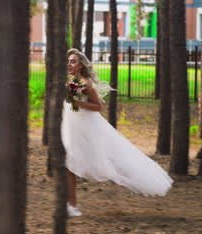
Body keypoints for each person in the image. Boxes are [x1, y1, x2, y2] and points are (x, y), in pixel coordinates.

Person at [62, 48, 173, 217]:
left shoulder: (86, 84)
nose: (69, 64)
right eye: (68, 61)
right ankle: (71, 205)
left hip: (86, 127)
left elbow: (98, 106)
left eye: (73, 61)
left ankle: (72, 205)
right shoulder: (72, 81)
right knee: (69, 165)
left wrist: (79, 104)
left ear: (81, 66)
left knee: (104, 160)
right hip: (73, 126)